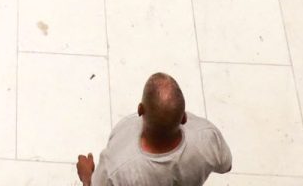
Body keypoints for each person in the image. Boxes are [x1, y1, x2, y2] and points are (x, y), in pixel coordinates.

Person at [77, 72, 232, 186]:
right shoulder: (207, 137)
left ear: (140, 110)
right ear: (183, 118)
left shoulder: (117, 167)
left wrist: (86, 176)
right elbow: (226, 166)